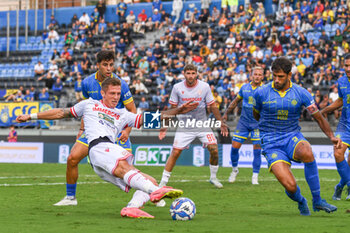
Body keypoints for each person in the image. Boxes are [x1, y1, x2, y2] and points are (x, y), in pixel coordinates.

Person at [16, 78, 197, 219]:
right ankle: (154, 193)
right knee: (142, 180)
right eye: (112, 93)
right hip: (99, 147)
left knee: (149, 180)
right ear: (103, 93)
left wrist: (178, 111)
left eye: (118, 93)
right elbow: (60, 113)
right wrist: (31, 116)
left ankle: (132, 208)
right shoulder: (89, 104)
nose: (116, 97)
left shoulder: (122, 114)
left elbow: (148, 119)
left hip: (105, 157)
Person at [253, 57, 339, 215]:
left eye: (281, 76)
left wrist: (331, 137)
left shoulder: (301, 93)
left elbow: (318, 117)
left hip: (292, 136)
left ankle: (318, 200)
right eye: (274, 76)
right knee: (290, 186)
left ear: (289, 75)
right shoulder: (261, 93)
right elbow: (256, 114)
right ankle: (301, 201)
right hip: (271, 142)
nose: (277, 80)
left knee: (307, 151)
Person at [53, 50, 137, 206]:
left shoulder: (120, 84)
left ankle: (146, 195)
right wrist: (81, 130)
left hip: (115, 130)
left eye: (111, 65)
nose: (109, 68)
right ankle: (70, 198)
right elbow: (87, 108)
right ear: (97, 65)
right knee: (72, 158)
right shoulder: (87, 83)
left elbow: (132, 110)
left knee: (129, 171)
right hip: (93, 130)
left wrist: (126, 131)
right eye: (105, 65)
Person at [159, 64, 228, 189]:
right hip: (185, 126)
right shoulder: (177, 88)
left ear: (197, 74)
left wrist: (221, 122)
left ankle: (213, 177)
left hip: (202, 124)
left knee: (214, 150)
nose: (190, 76)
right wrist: (165, 127)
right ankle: (163, 182)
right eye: (188, 73)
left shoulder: (205, 86)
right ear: (184, 74)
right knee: (175, 152)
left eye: (193, 73)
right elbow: (172, 109)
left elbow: (212, 105)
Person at [223, 67, 264, 185]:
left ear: (262, 77)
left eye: (259, 74)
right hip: (244, 123)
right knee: (234, 147)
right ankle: (235, 170)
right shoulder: (245, 87)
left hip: (258, 124)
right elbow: (235, 101)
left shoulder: (266, 90)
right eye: (255, 74)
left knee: (257, 150)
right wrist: (226, 113)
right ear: (251, 75)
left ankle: (255, 176)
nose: (257, 76)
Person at [320, 53, 350, 201]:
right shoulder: (342, 81)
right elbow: (341, 100)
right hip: (345, 125)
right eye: (346, 65)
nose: (348, 68)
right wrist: (326, 110)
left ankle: (339, 187)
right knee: (338, 153)